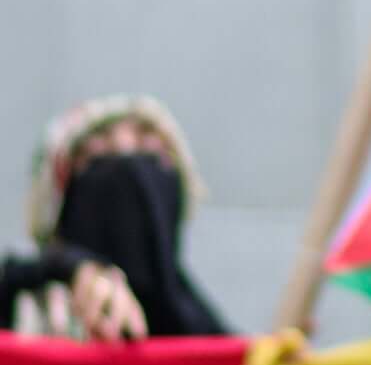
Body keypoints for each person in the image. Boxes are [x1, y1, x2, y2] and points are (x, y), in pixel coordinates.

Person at [6, 94, 226, 340]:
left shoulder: (212, 344)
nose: (127, 155)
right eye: (99, 156)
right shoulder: (20, 310)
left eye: (149, 152)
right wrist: (68, 267)